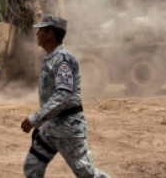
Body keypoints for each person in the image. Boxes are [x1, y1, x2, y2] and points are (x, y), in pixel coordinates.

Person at [21, 14, 109, 178]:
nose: (37, 33)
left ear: (50, 33)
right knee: (32, 167)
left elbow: (63, 95)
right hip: (50, 128)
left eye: (41, 30)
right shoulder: (51, 58)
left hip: (67, 129)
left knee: (86, 174)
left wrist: (35, 119)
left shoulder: (62, 59)